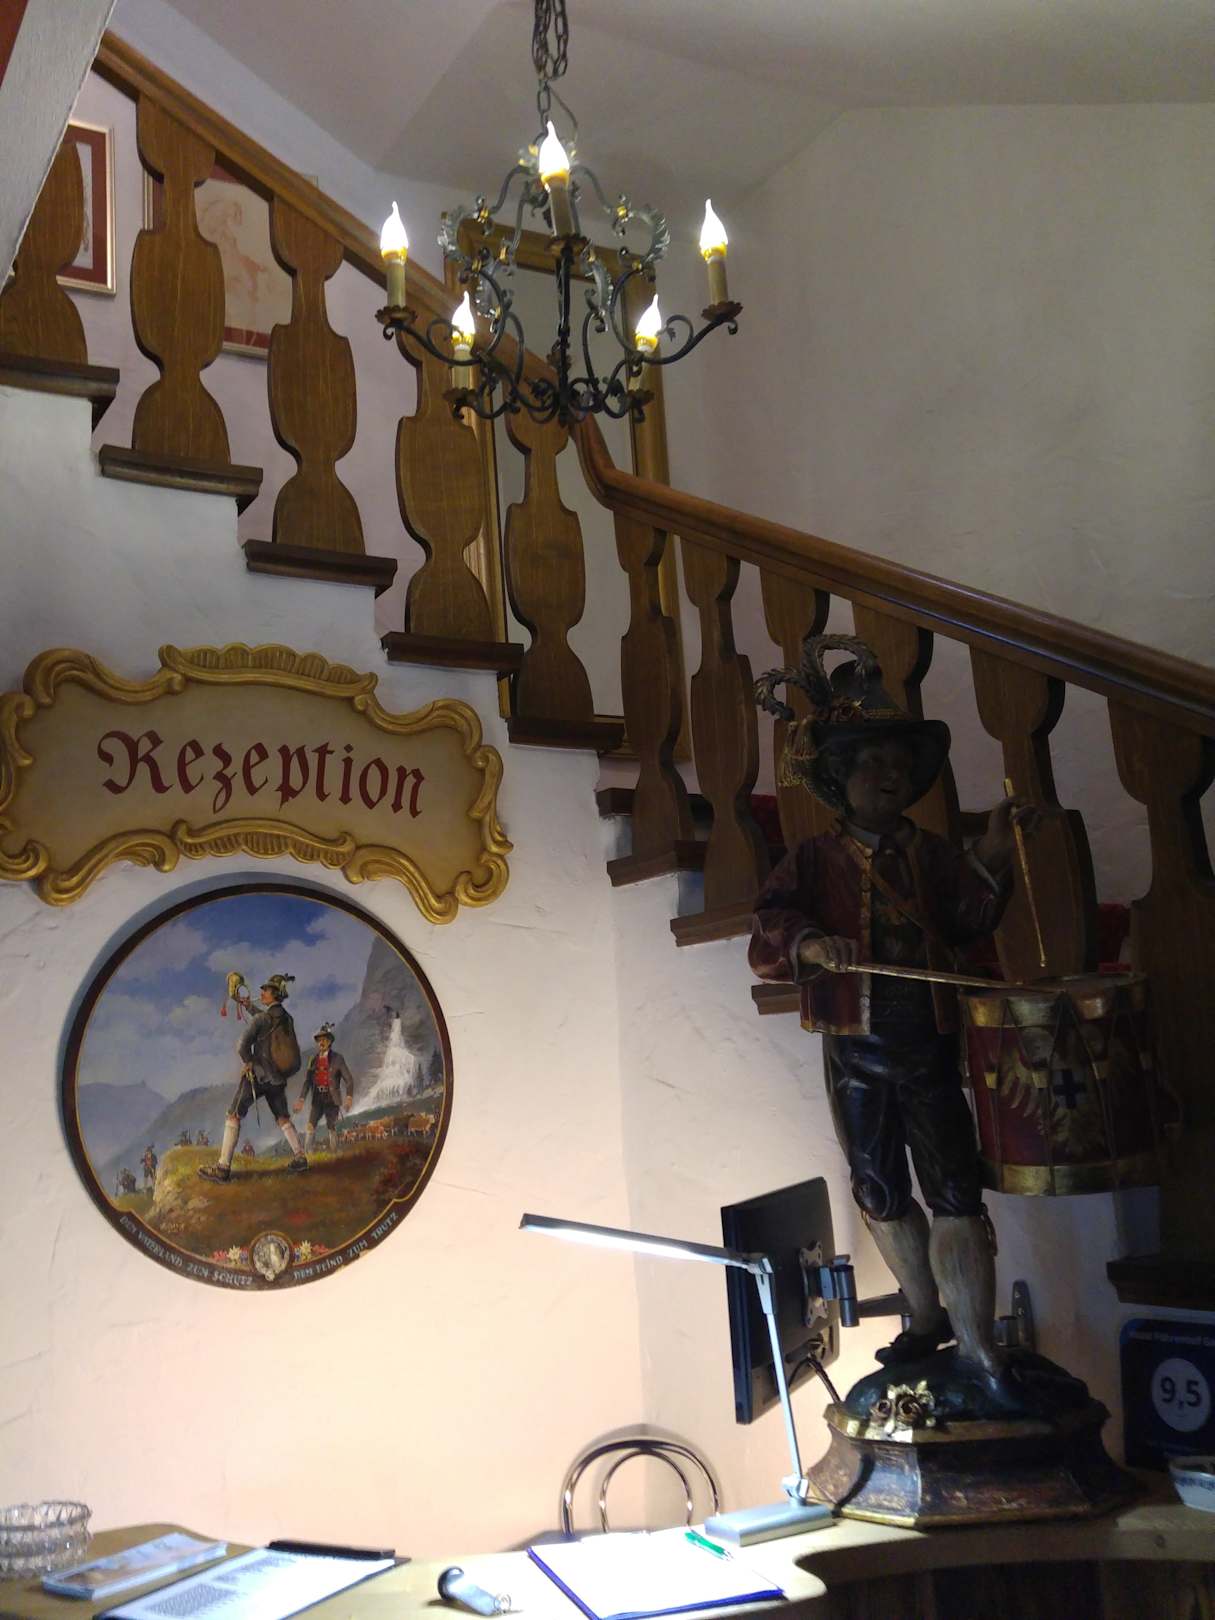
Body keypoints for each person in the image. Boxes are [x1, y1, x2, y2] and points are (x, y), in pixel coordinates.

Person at [751, 635, 1038, 1387]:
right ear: (839, 777)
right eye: (869, 763)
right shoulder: (814, 859)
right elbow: (770, 923)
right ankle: (925, 1314)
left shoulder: (933, 854)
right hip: (855, 1047)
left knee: (953, 1188)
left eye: (897, 765)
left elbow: (970, 920)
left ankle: (976, 1343)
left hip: (928, 1044)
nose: (886, 776)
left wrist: (993, 856)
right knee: (877, 1186)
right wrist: (811, 943)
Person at [199, 972, 306, 1183]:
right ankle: (300, 1157)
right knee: (282, 1117)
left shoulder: (261, 1019)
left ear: (274, 994)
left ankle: (222, 1168)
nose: (262, 992)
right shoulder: (286, 1018)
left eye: (266, 990)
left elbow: (242, 1045)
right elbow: (267, 1020)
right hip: (277, 1078)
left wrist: (248, 1062)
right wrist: (248, 1006)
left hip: (257, 1076)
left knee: (233, 1114)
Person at [293, 1022, 354, 1156]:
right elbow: (307, 1082)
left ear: (330, 1041)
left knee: (332, 1127)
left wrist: (349, 1097)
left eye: (324, 1039)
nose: (321, 1042)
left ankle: (334, 1155)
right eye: (319, 1040)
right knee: (310, 1126)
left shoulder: (338, 1059)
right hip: (317, 1099)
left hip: (332, 1098)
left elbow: (349, 1079)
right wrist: (301, 1099)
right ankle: (308, 1156)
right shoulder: (313, 1061)